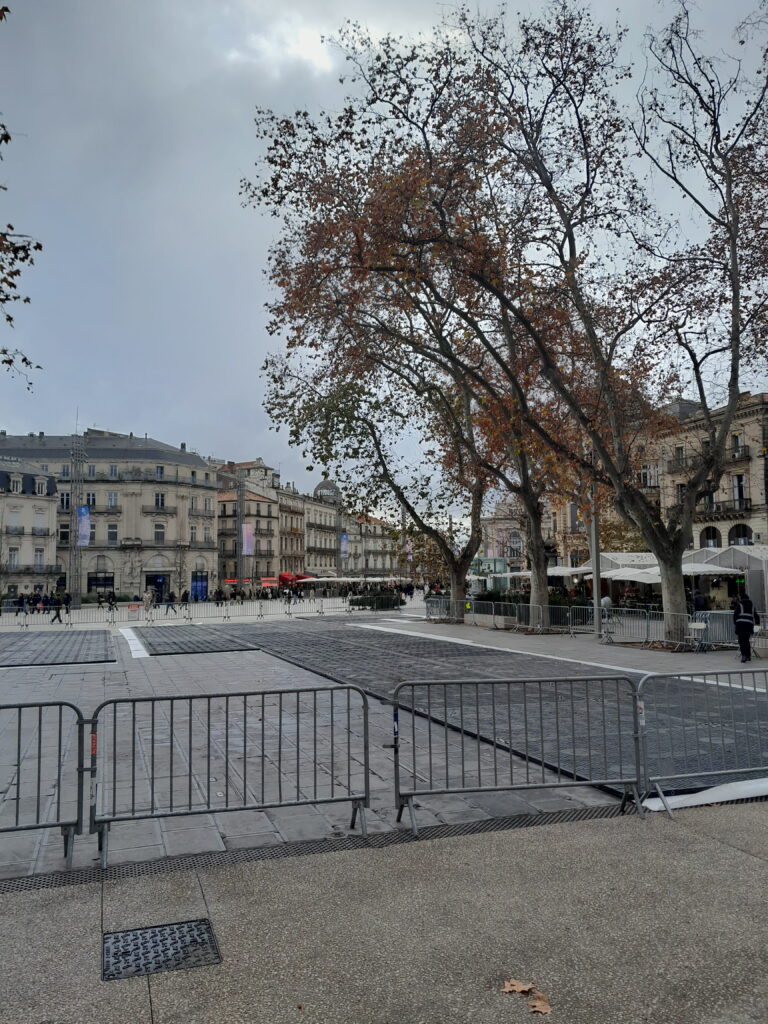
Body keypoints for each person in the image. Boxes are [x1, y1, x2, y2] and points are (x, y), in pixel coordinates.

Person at [733, 593, 760, 663]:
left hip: (741, 626)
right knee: (746, 641)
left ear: (741, 599)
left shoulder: (740, 605)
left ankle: (744, 655)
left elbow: (735, 615)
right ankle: (748, 655)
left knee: (741, 641)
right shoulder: (752, 606)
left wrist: (736, 623)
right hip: (749, 626)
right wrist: (757, 624)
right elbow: (756, 616)